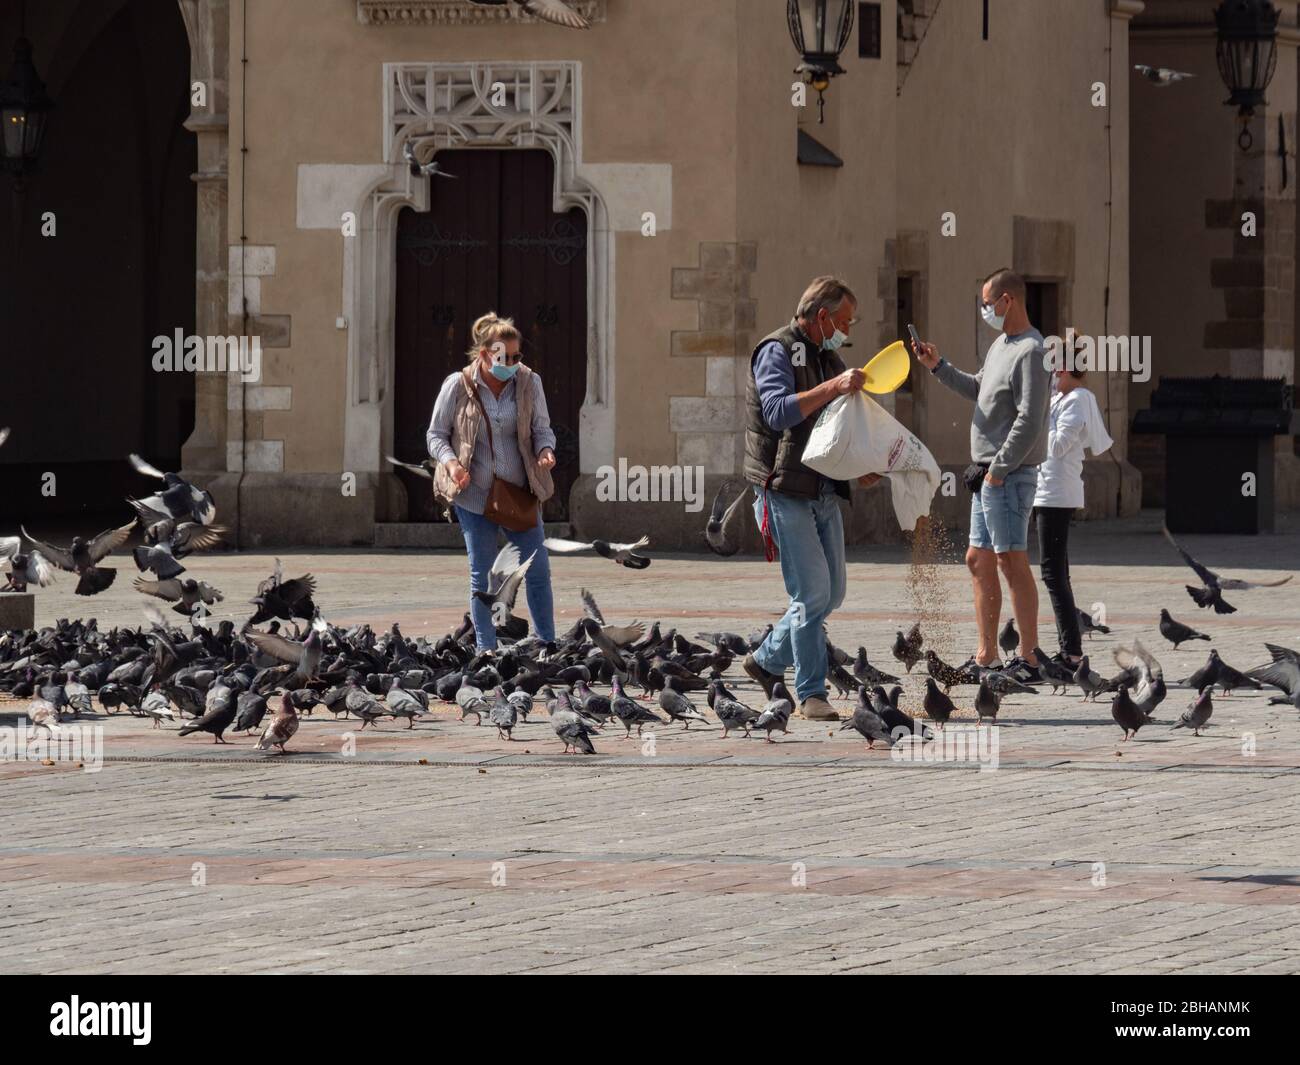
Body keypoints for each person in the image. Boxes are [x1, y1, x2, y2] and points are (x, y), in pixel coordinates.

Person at [742, 276, 881, 721]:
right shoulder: (775, 350)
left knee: (832, 591)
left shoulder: (826, 354)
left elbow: (837, 423)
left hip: (821, 486)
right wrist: (833, 387)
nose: (847, 330)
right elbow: (778, 410)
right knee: (811, 591)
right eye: (843, 321)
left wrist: (861, 464)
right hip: (783, 488)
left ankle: (764, 661)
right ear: (821, 316)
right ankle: (811, 693)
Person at [911, 268, 1051, 681]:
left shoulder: (1032, 350)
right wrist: (938, 367)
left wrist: (1001, 469)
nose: (985, 310)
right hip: (988, 475)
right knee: (978, 559)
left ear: (1008, 300)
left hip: (1006, 475)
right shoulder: (1000, 347)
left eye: (988, 303)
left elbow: (1030, 418)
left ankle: (1028, 658)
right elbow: (979, 388)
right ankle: (987, 655)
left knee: (1011, 560)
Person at [427, 312, 558, 650]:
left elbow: (543, 429)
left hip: (519, 494)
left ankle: (546, 643)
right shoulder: (458, 385)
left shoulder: (530, 382)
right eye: (504, 357)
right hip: (474, 496)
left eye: (517, 357)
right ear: (484, 354)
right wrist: (452, 464)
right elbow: (436, 435)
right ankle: (486, 649)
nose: (511, 363)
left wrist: (545, 451)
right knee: (483, 577)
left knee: (538, 572)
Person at [1032, 345, 1113, 664]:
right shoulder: (1059, 399)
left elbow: (1056, 444)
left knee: (1052, 573)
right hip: (1044, 490)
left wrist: (1037, 416)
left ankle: (1072, 652)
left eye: (1052, 368)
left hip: (1057, 492)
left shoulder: (1080, 399)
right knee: (1056, 571)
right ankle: (1070, 646)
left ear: (1063, 368)